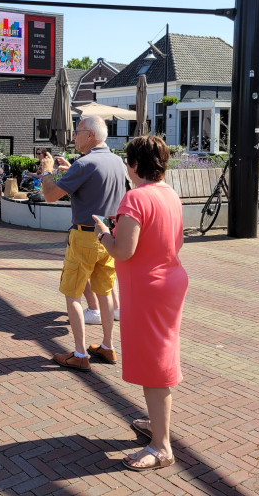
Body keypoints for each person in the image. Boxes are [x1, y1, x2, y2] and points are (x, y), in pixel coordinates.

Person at [93, 135, 188, 471]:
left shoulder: (135, 198)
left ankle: (161, 446)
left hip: (148, 289)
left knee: (155, 364)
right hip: (169, 281)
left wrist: (103, 233)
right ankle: (156, 424)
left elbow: (123, 250)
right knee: (159, 355)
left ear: (133, 165)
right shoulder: (170, 194)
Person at [40, 115, 127, 371]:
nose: (74, 136)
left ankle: (79, 353)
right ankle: (108, 347)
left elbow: (49, 196)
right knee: (105, 293)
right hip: (108, 235)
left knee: (73, 294)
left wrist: (47, 171)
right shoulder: (116, 161)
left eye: (78, 131)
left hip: (84, 235)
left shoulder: (84, 163)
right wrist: (72, 171)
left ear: (90, 135)